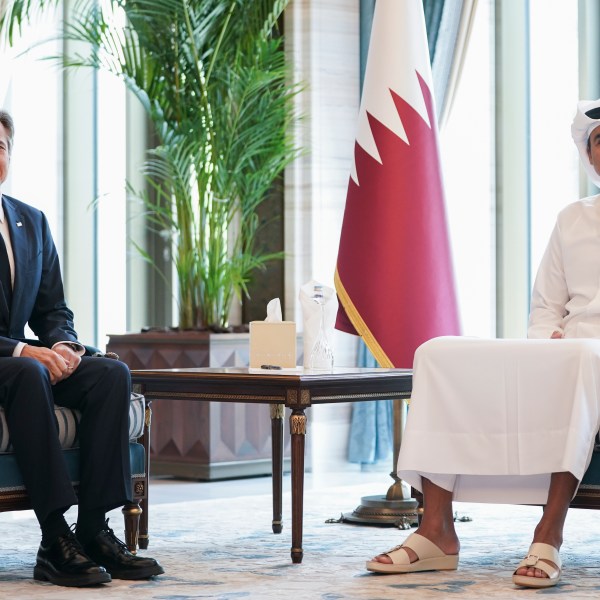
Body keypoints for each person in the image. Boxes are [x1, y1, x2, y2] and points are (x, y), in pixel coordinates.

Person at [366, 98, 600, 589]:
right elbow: (544, 307)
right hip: (567, 352)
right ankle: (435, 531)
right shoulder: (571, 219)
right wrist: (547, 339)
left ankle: (548, 534)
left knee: (579, 357)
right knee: (438, 351)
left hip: (588, 358)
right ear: (589, 154)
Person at [0, 109, 164, 587]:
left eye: (1, 147)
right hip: (11, 365)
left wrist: (63, 347)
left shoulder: (30, 221)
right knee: (29, 372)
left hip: (20, 362)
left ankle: (93, 529)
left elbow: (52, 309)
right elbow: (24, 357)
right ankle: (54, 539)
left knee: (109, 374)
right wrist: (26, 354)